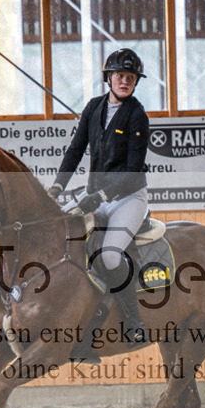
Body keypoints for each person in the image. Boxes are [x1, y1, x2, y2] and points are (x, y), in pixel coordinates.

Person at [48, 48, 150, 350]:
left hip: (128, 198)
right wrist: (56, 187)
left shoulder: (137, 115)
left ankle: (134, 321)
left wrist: (102, 196)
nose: (125, 81)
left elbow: (133, 171)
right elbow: (75, 151)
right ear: (108, 77)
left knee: (108, 256)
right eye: (120, 76)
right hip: (95, 195)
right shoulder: (93, 108)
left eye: (130, 78)